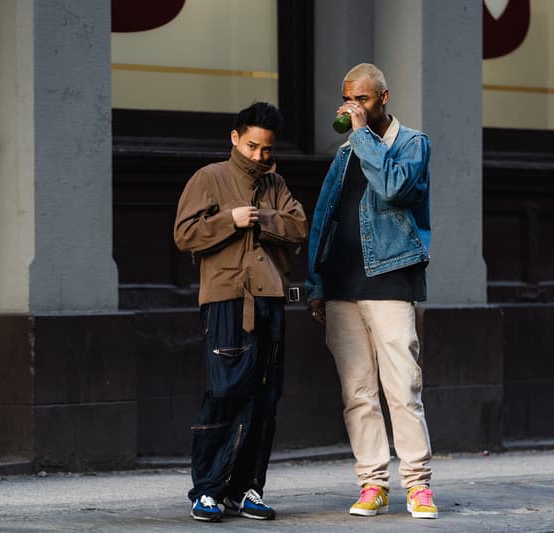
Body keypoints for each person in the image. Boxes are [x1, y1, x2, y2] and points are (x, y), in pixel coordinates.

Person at [305, 63, 438, 520]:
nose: (351, 107)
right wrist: (316, 283)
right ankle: (372, 483)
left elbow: (395, 188)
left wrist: (362, 136)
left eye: (360, 99)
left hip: (391, 282)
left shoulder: (411, 144)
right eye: (347, 98)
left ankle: (418, 486)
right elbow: (324, 217)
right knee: (358, 392)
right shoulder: (345, 154)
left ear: (383, 98)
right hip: (342, 286)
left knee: (403, 388)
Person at [174, 102, 308, 523]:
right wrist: (230, 220)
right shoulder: (209, 178)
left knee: (265, 399)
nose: (259, 156)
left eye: (266, 150)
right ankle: (208, 490)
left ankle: (247, 488)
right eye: (252, 146)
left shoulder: (275, 183)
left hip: (270, 302)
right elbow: (184, 234)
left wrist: (261, 218)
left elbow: (299, 226)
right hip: (228, 300)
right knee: (225, 393)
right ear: (235, 138)